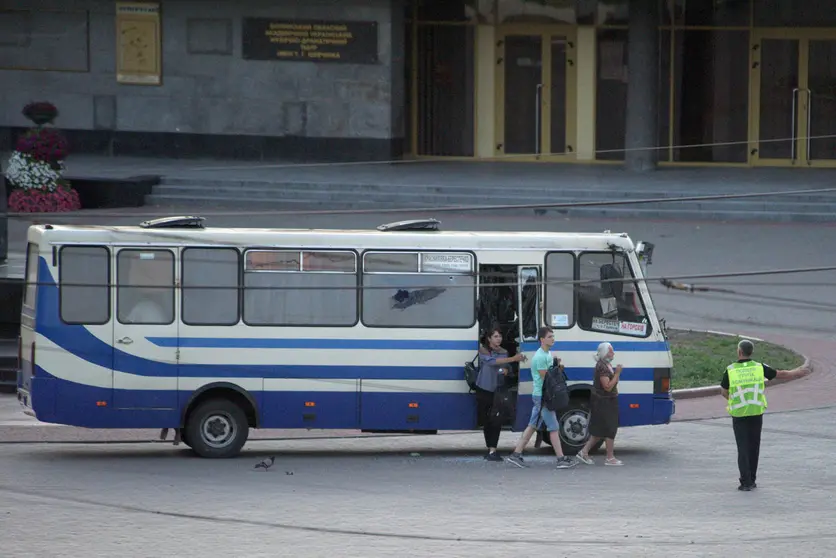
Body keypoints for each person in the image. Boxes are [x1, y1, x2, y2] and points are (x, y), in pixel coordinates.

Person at [721, 339, 795, 491]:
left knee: (742, 448)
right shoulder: (759, 367)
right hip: (756, 412)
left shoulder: (731, 370)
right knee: (754, 446)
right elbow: (780, 374)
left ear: (739, 351)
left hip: (739, 413)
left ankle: (745, 482)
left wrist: (734, 399)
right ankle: (752, 479)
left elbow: (723, 390)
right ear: (751, 352)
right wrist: (799, 372)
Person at [505, 326, 577, 469]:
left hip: (543, 396)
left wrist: (556, 366)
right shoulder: (540, 357)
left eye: (553, 336)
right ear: (542, 339)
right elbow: (548, 378)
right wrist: (557, 368)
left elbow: (551, 374)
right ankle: (561, 459)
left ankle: (516, 454)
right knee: (553, 427)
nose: (552, 339)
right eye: (550, 336)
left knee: (533, 426)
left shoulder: (547, 354)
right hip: (543, 397)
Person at [475, 327, 526, 461]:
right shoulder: (483, 350)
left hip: (498, 389)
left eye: (500, 336)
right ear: (489, 339)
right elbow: (491, 362)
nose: (499, 339)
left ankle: (493, 449)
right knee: (486, 420)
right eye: (496, 336)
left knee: (496, 419)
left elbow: (508, 369)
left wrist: (506, 369)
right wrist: (513, 359)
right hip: (484, 388)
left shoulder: (504, 352)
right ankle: (490, 448)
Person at [576, 342, 623, 466]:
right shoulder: (602, 366)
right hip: (605, 401)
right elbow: (607, 387)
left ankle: (584, 452)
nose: (613, 353)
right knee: (610, 428)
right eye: (610, 351)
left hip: (606, 400)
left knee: (599, 431)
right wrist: (617, 374)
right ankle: (610, 457)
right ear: (604, 353)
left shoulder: (606, 364)